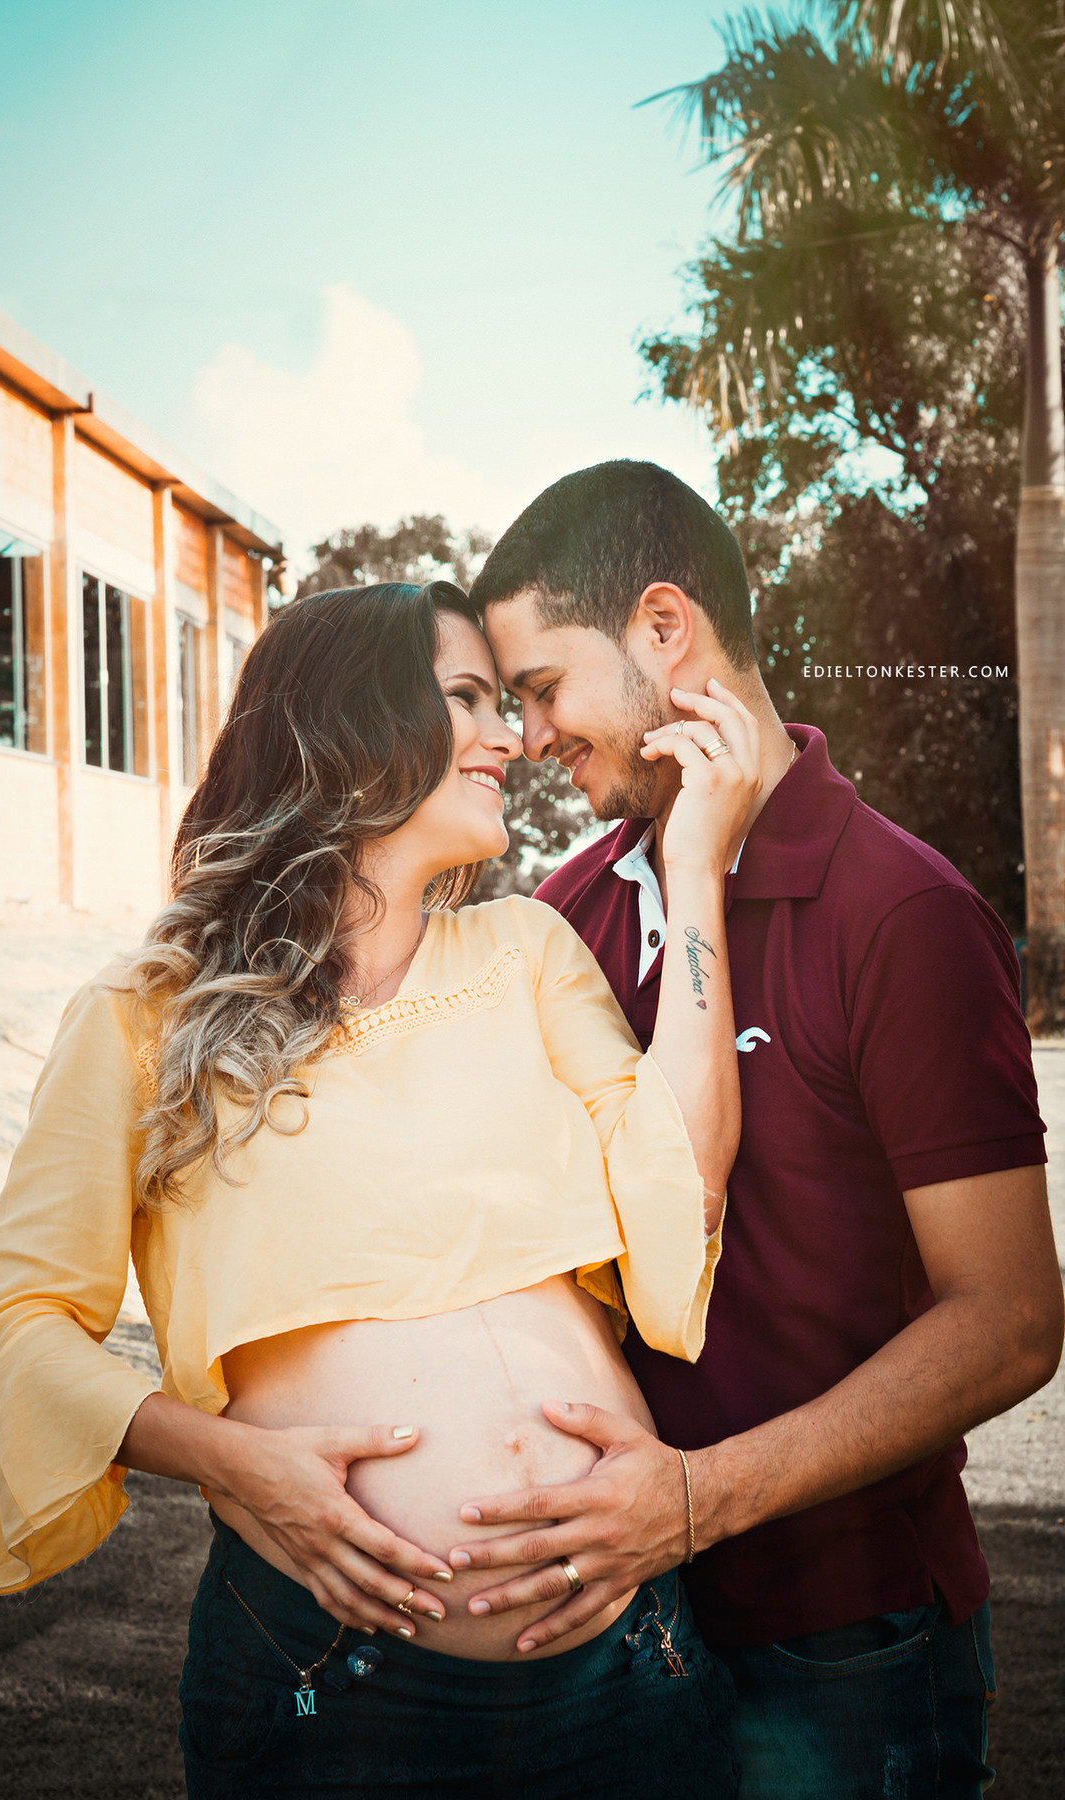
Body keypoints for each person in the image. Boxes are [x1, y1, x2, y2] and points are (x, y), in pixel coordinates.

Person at [0, 579, 757, 1800]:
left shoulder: (528, 952)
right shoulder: (144, 1015)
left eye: (507, 705)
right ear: (341, 729)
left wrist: (691, 873)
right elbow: (15, 1331)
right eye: (465, 700)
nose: (509, 738)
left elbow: (680, 1187)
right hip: (332, 1681)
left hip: (627, 1664)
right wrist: (233, 1464)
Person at [452, 459, 1065, 1798]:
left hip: (844, 1653)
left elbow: (1009, 1317)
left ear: (661, 631)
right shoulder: (558, 918)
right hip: (612, 1638)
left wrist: (700, 1498)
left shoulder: (900, 914)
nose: (532, 733)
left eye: (542, 687)